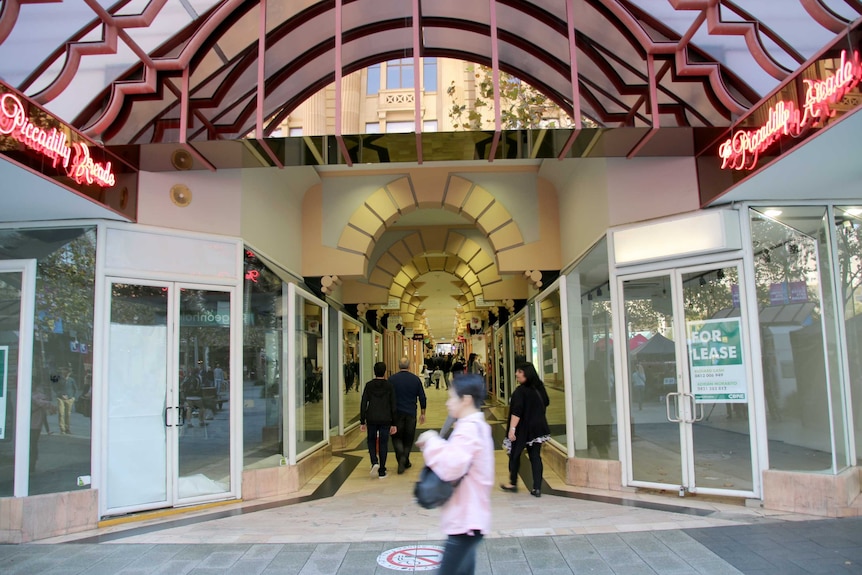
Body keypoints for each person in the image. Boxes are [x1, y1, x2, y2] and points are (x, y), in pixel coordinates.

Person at [416, 374, 494, 575]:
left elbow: (452, 466)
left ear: (466, 399)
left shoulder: (470, 429)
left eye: (451, 397)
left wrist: (432, 440)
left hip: (466, 520)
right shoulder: (476, 426)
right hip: (469, 518)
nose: (447, 402)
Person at [501, 362, 550, 497]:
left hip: (523, 428)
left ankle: (513, 482)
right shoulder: (539, 388)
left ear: (527, 374)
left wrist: (512, 429)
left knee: (515, 454)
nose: (516, 374)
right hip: (538, 427)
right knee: (535, 456)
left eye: (520, 372)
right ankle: (537, 488)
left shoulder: (520, 391)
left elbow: (516, 412)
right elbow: (546, 402)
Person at [360, 361, 397, 478]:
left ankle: (374, 461)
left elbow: (363, 403)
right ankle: (382, 470)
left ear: (374, 372)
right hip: (386, 418)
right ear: (385, 372)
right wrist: (394, 423)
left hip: (371, 417)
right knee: (383, 443)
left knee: (371, 441)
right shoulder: (389, 386)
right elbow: (393, 405)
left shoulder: (369, 385)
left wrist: (362, 420)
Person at [390, 356, 427, 474]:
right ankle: (404, 458)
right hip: (411, 413)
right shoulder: (415, 379)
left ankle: (401, 457)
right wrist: (423, 413)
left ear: (398, 366)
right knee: (409, 438)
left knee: (396, 437)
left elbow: (388, 397)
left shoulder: (391, 379)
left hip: (396, 414)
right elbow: (422, 397)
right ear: (409, 366)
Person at [585, 360, 612, 458]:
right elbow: (606, 398)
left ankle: (587, 459)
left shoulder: (586, 380)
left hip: (590, 414)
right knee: (601, 442)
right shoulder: (602, 380)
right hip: (601, 415)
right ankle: (605, 459)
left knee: (587, 440)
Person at [30, 385, 56, 472]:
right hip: (37, 424)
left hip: (33, 424)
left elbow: (38, 402)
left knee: (32, 445)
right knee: (33, 445)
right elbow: (46, 408)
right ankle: (32, 463)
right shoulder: (41, 396)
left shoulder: (33, 397)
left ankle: (31, 464)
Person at [55, 367, 78, 435]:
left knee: (68, 414)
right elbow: (55, 388)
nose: (67, 374)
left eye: (68, 373)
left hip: (69, 399)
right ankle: (62, 429)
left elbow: (75, 389)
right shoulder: (59, 379)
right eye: (66, 372)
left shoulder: (71, 380)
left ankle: (67, 428)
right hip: (60, 398)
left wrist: (73, 397)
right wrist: (61, 394)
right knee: (61, 413)